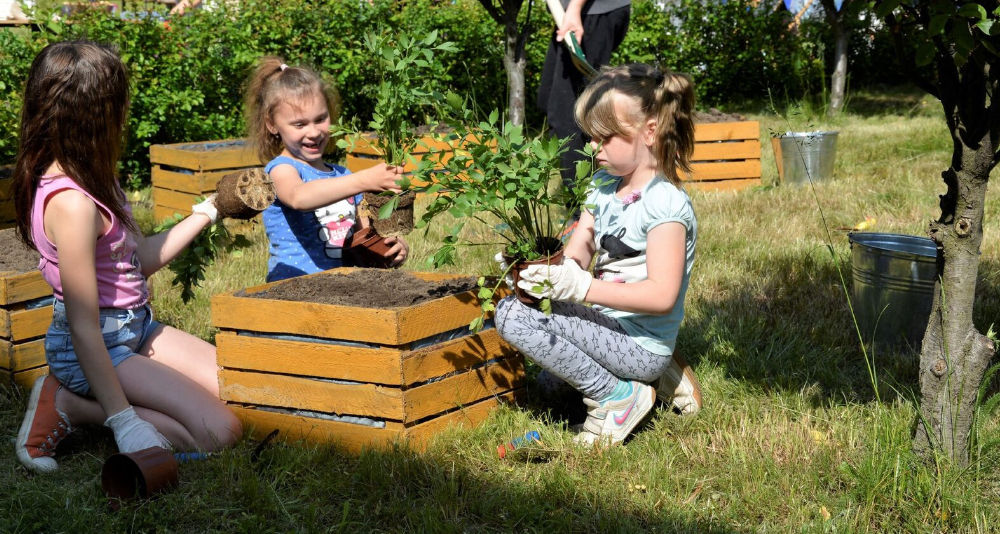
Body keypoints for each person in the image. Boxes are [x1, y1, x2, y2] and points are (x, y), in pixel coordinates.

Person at [11, 41, 242, 473]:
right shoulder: (73, 205)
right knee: (218, 432)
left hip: (134, 329)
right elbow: (83, 326)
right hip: (93, 346)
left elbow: (137, 260)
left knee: (237, 388)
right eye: (118, 106)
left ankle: (104, 402)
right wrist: (122, 421)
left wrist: (208, 212)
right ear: (94, 115)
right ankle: (69, 404)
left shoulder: (98, 178)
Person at [496, 64, 702, 447]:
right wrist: (553, 274)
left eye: (605, 138)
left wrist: (582, 287)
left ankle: (619, 398)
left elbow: (661, 296)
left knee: (510, 315)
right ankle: (657, 378)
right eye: (591, 137)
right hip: (608, 326)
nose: (593, 146)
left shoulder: (665, 206)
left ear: (650, 132)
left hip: (639, 343)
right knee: (552, 389)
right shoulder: (603, 184)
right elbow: (582, 245)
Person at [244, 57, 409, 282]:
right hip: (293, 288)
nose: (313, 132)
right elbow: (298, 197)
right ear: (272, 125)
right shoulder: (281, 170)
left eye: (321, 119)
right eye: (299, 124)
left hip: (343, 289)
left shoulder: (343, 176)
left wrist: (392, 247)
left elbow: (365, 235)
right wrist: (364, 180)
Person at [538, 0, 631, 214]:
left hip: (587, 13)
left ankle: (584, 212)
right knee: (548, 100)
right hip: (571, 13)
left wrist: (575, 8)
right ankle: (596, 195)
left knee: (567, 117)